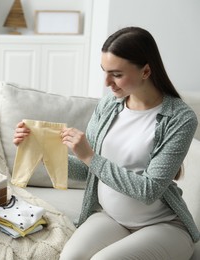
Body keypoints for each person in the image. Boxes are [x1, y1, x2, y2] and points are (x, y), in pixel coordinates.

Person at [13, 27, 199, 260]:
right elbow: (88, 170)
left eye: (117, 74)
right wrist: (39, 152)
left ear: (146, 71)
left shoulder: (180, 118)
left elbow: (149, 191)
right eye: (104, 72)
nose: (107, 82)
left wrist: (90, 156)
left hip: (164, 226)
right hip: (112, 218)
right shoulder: (109, 106)